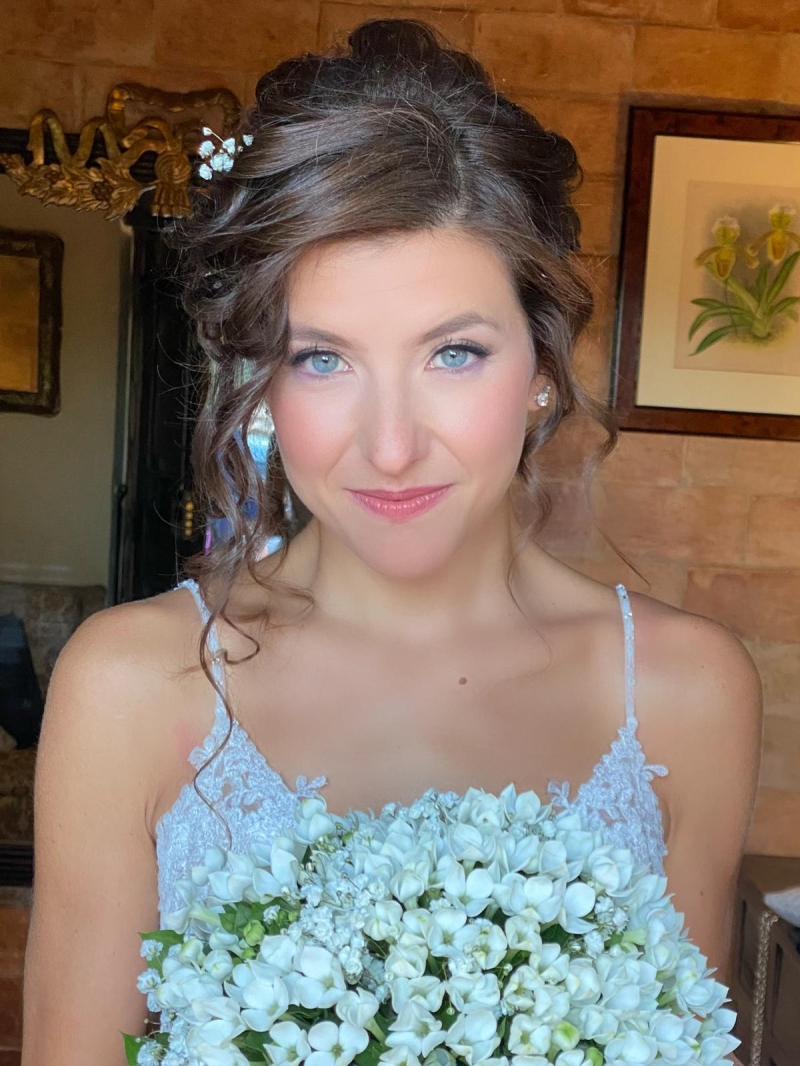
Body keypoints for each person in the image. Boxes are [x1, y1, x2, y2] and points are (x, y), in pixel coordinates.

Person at [21, 18, 762, 1064]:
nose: (391, 446)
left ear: (541, 366)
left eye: (453, 353)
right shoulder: (131, 683)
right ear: (264, 382)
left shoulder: (687, 691)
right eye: (322, 359)